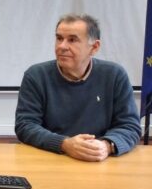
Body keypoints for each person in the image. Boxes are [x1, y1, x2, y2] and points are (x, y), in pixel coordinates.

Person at [15, 13, 140, 161]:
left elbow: (130, 126)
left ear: (94, 47)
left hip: (100, 160)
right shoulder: (36, 75)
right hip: (50, 158)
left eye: (72, 40)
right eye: (59, 38)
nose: (62, 46)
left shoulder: (114, 75)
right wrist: (64, 144)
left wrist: (106, 145)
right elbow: (25, 125)